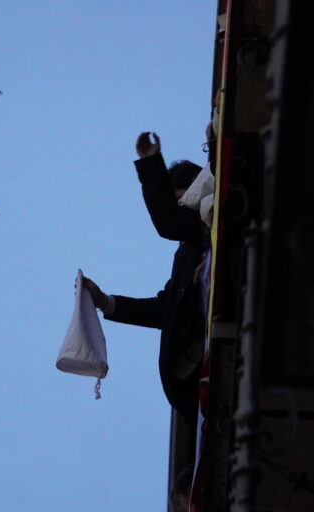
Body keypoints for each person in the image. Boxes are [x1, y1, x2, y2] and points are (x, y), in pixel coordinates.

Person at [82, 132, 207, 422]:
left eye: (179, 203)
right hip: (193, 380)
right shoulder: (189, 250)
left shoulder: (206, 221)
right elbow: (166, 310)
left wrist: (150, 164)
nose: (178, 215)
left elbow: (168, 223)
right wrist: (104, 301)